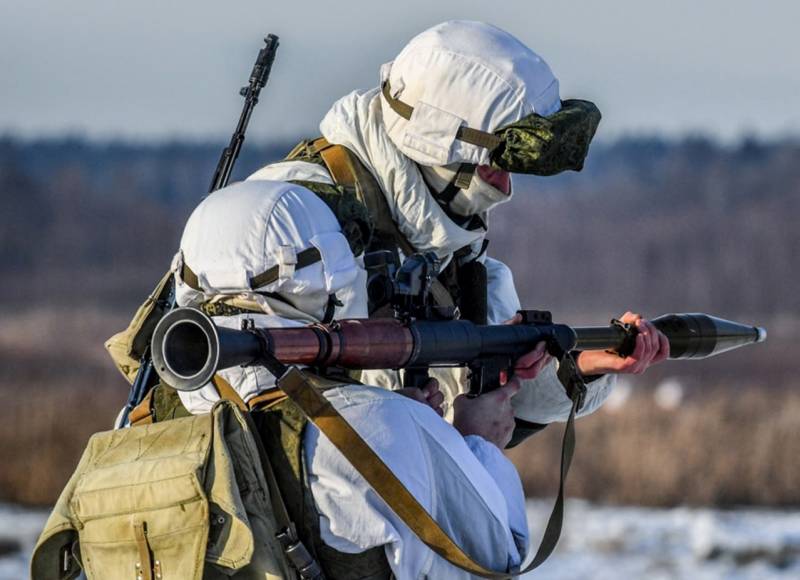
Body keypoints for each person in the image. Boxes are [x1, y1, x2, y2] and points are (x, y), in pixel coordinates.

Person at [247, 20, 669, 438]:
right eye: (493, 169)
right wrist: (405, 429)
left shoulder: (443, 243)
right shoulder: (287, 226)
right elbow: (249, 419)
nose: (504, 191)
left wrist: (583, 364)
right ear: (438, 146)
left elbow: (485, 392)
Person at [169, 178, 538, 578]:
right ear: (322, 278)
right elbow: (500, 557)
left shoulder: (153, 417)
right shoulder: (378, 426)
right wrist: (477, 444)